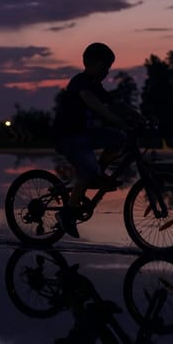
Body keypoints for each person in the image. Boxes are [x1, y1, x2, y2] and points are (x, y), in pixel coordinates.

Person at [53, 42, 145, 238]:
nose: (107, 72)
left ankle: (97, 174)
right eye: (105, 67)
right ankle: (67, 213)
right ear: (93, 64)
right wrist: (114, 119)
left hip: (84, 134)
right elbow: (90, 100)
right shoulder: (80, 82)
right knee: (86, 169)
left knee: (118, 138)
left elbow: (114, 103)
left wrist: (139, 118)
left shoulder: (96, 86)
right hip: (68, 137)